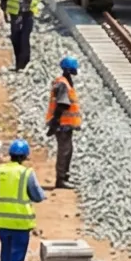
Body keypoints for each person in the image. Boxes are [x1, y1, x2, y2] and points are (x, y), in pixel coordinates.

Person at [2, 0, 41, 72]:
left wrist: (29, 5)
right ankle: (18, 61)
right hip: (15, 13)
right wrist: (4, 9)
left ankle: (23, 63)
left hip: (27, 14)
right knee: (15, 37)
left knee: (24, 37)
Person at [48, 56, 82, 187]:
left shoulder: (65, 82)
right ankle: (61, 180)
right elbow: (62, 104)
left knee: (68, 151)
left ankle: (65, 177)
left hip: (65, 125)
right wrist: (55, 123)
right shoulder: (63, 83)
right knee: (64, 152)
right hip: (62, 125)